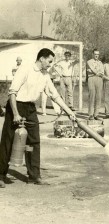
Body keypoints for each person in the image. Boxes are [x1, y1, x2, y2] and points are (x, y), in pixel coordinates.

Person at [0, 48, 76, 188]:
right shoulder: (25, 69)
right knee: (8, 141)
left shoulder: (45, 75)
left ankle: (34, 175)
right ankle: (0, 175)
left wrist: (68, 111)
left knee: (34, 142)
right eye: (49, 61)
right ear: (41, 58)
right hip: (16, 106)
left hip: (30, 108)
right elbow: (12, 93)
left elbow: (55, 95)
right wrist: (16, 114)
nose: (50, 64)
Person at [86, 49, 104, 120]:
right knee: (92, 96)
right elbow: (93, 70)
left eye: (98, 54)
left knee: (98, 97)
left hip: (99, 79)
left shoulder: (100, 62)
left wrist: (94, 71)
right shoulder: (89, 61)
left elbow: (102, 72)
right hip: (91, 79)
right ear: (92, 54)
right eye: (95, 54)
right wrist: (94, 71)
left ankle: (96, 114)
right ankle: (90, 114)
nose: (96, 56)